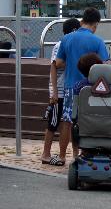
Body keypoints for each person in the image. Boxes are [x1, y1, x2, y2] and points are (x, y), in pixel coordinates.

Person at [54, 7, 109, 161]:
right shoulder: (97, 41)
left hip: (70, 86)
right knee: (86, 122)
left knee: (67, 122)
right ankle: (80, 155)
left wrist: (72, 61)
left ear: (82, 21)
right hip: (90, 87)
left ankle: (63, 156)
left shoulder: (67, 39)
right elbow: (103, 65)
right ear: (95, 25)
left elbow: (58, 63)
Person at [41, 18, 78, 166]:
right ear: (74, 30)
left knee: (69, 123)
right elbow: (54, 67)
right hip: (60, 91)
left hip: (69, 90)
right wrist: (54, 92)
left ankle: (73, 153)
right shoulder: (60, 45)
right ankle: (46, 153)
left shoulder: (70, 44)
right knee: (53, 122)